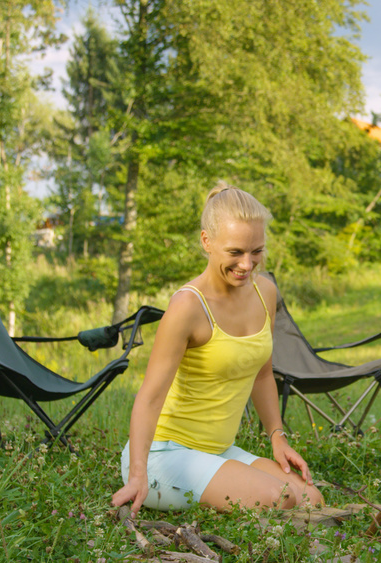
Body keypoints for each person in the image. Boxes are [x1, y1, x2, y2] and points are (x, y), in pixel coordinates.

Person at [112, 184, 323, 516]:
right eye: (235, 252)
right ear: (206, 241)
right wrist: (138, 473)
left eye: (256, 251)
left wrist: (277, 437)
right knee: (277, 497)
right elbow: (150, 397)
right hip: (163, 454)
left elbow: (263, 374)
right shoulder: (187, 307)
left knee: (312, 498)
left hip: (217, 452)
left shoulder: (265, 292)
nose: (247, 263)